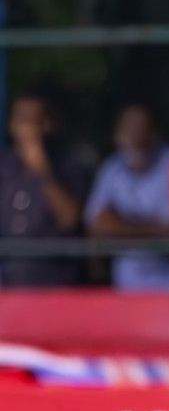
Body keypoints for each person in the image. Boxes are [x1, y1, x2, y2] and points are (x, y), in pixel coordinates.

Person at [84, 104, 169, 292]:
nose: (131, 134)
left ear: (153, 133)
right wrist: (149, 228)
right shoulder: (112, 167)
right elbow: (96, 226)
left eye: (138, 126)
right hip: (129, 286)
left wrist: (118, 224)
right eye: (126, 127)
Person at [0, 92, 90, 287]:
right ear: (11, 124)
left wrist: (42, 170)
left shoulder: (68, 162)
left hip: (54, 283)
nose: (27, 128)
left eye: (33, 120)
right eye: (21, 119)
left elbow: (70, 219)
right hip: (7, 283)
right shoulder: (3, 166)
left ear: (47, 124)